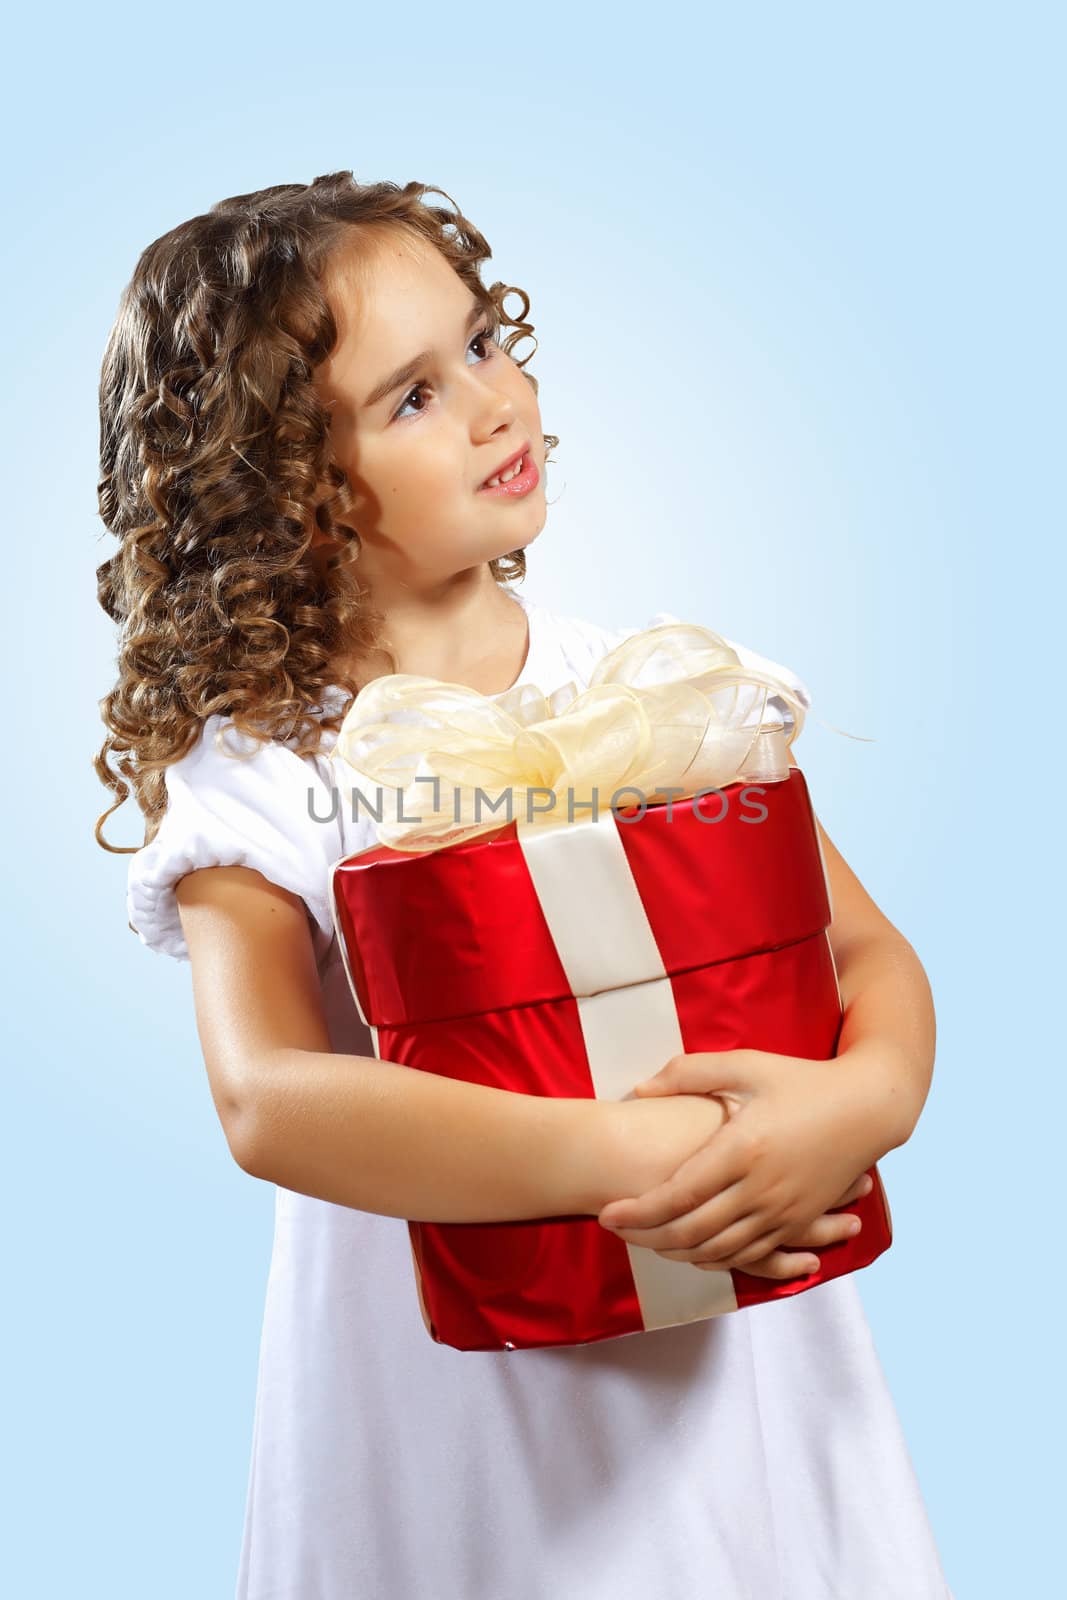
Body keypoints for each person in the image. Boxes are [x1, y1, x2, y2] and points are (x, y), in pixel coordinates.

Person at [95, 173, 953, 1599]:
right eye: (412, 397)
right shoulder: (262, 769)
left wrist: (864, 1105)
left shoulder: (658, 691)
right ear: (291, 497)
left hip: (750, 1354)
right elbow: (268, 1097)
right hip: (459, 1408)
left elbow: (866, 956)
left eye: (487, 344)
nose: (496, 403)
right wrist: (629, 1166)